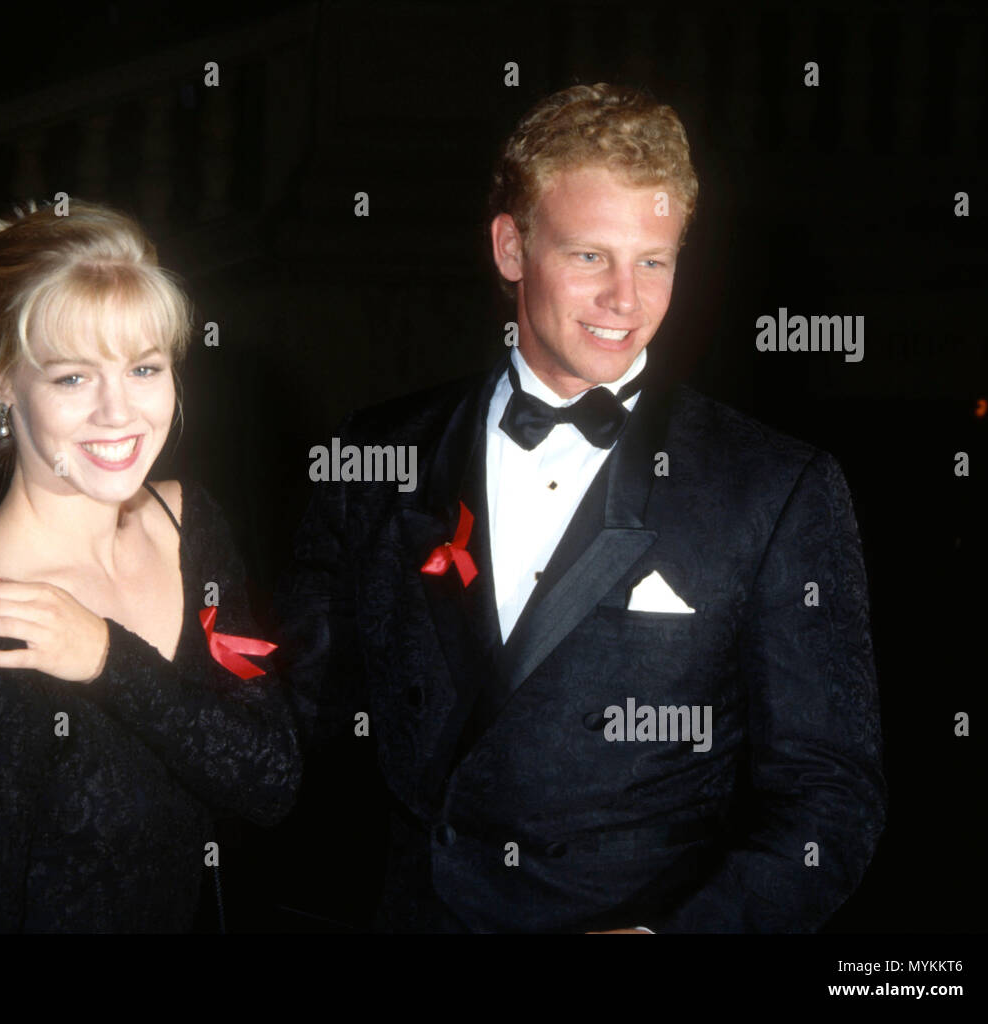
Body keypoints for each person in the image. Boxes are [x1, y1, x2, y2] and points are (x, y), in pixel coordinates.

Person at [275, 83, 886, 933]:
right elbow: (292, 727)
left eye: (654, 260)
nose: (625, 302)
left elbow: (831, 799)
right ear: (511, 248)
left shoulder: (776, 488)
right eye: (589, 256)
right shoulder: (375, 454)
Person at [0, 200, 301, 932]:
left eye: (144, 367)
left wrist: (107, 660)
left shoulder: (188, 521)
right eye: (72, 378)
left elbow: (271, 779)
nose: (120, 414)